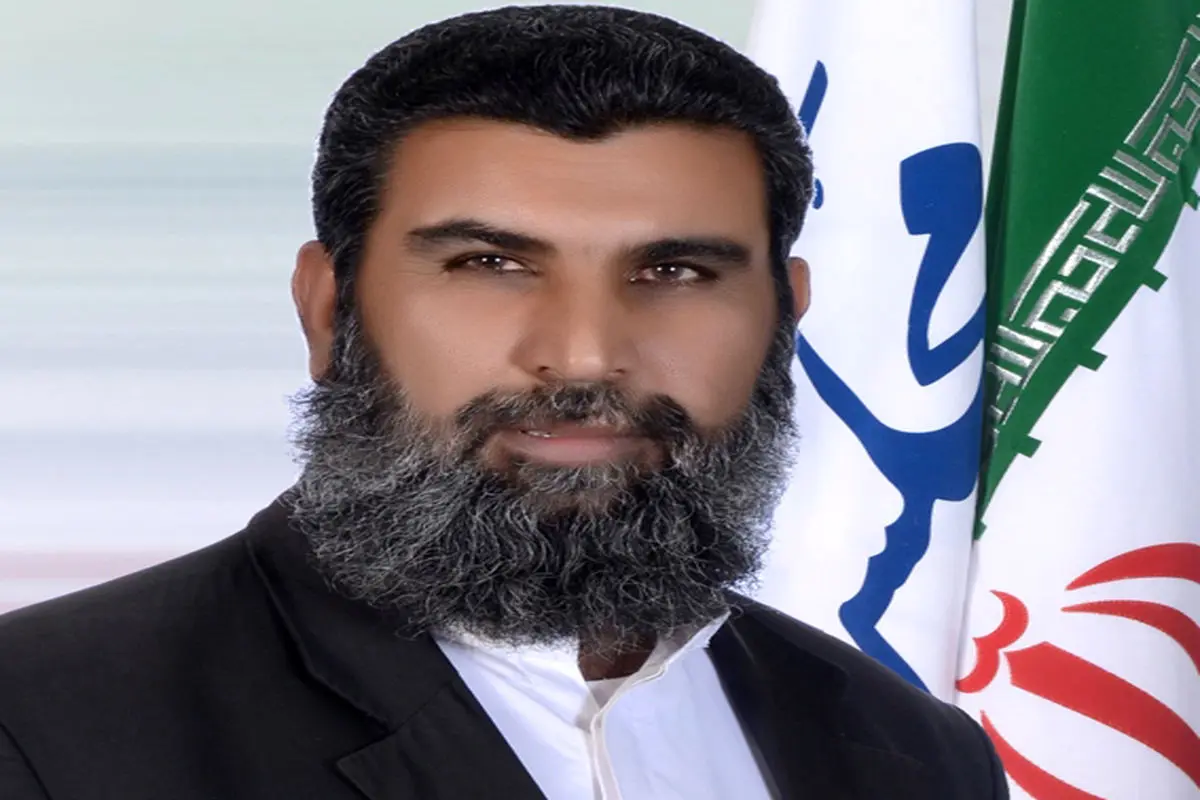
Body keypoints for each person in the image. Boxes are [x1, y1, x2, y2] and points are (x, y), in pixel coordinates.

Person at [0, 6, 1008, 799]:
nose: (585, 353)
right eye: (490, 264)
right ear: (329, 310)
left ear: (784, 320)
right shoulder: (41, 727)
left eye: (676, 271)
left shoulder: (914, 754)